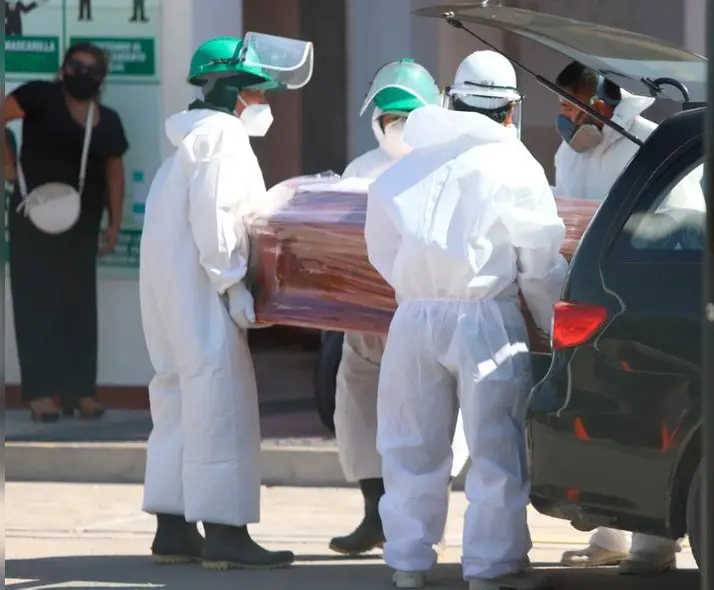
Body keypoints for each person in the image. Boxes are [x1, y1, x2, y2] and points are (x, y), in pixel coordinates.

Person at [365, 49, 565, 590]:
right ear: (510, 111)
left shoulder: (411, 163)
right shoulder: (514, 163)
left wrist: (420, 289)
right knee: (494, 447)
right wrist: (556, 326)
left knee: (410, 445)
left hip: (413, 318)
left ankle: (407, 563)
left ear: (452, 100)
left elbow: (381, 247)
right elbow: (540, 261)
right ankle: (490, 568)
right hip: (483, 320)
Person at [138, 33, 313, 570]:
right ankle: (226, 534)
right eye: (258, 93)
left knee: (176, 401)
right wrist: (233, 282)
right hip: (204, 293)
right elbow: (218, 217)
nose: (263, 104)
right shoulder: (221, 137)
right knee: (220, 403)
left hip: (171, 297)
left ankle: (172, 528)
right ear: (232, 90)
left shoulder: (186, 143)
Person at [328, 58, 472, 556]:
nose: (399, 127)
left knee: (422, 418)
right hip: (366, 318)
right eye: (391, 118)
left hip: (422, 314)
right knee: (358, 401)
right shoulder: (361, 170)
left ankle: (415, 526)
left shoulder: (448, 164)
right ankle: (374, 512)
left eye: (409, 117)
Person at [551, 61, 685, 575]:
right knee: (596, 415)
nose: (566, 119)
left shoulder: (646, 143)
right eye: (560, 107)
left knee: (644, 416)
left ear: (608, 102)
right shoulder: (570, 152)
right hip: (587, 297)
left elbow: (674, 219)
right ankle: (609, 534)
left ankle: (654, 546)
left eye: (573, 106)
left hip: (639, 300)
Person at [3, 42, 127, 422]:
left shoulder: (108, 120)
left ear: (101, 80)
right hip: (32, 216)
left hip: (81, 222)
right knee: (34, 305)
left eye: (92, 70)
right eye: (76, 66)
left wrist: (114, 223)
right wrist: (7, 166)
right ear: (63, 69)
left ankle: (80, 393)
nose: (82, 74)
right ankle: (39, 394)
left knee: (79, 307)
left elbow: (114, 172)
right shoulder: (38, 96)